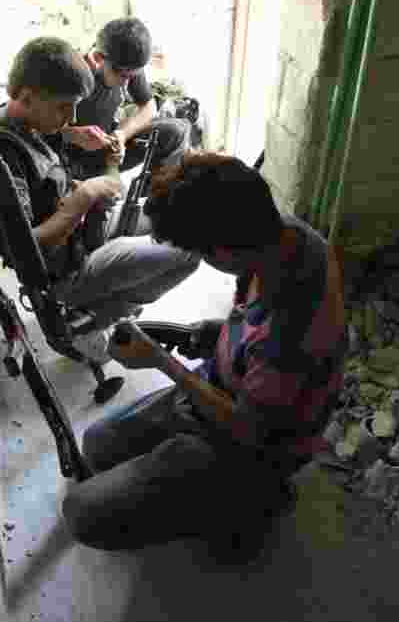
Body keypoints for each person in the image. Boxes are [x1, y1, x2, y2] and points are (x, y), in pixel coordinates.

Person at [60, 151, 348, 563]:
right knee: (97, 447)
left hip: (257, 442)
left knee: (84, 516)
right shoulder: (279, 235)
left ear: (224, 251)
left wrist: (163, 363)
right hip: (226, 388)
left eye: (200, 252)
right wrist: (204, 335)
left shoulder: (291, 330)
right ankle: (196, 472)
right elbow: (249, 326)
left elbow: (251, 427)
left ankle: (255, 501)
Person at [0, 36, 200, 360]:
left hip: (86, 230)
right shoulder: (4, 155)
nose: (71, 118)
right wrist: (85, 194)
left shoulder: (14, 120)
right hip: (69, 269)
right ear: (27, 97)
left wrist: (71, 138)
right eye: (63, 107)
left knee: (171, 222)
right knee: (190, 253)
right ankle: (97, 317)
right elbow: (26, 248)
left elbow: (49, 179)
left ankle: (103, 304)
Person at [56, 17, 190, 184]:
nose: (127, 83)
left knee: (176, 131)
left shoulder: (127, 63)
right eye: (124, 76)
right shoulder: (72, 73)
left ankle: (157, 199)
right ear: (98, 58)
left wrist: (122, 134)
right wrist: (75, 136)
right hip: (69, 160)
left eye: (133, 76)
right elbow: (34, 129)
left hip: (107, 152)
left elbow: (149, 106)